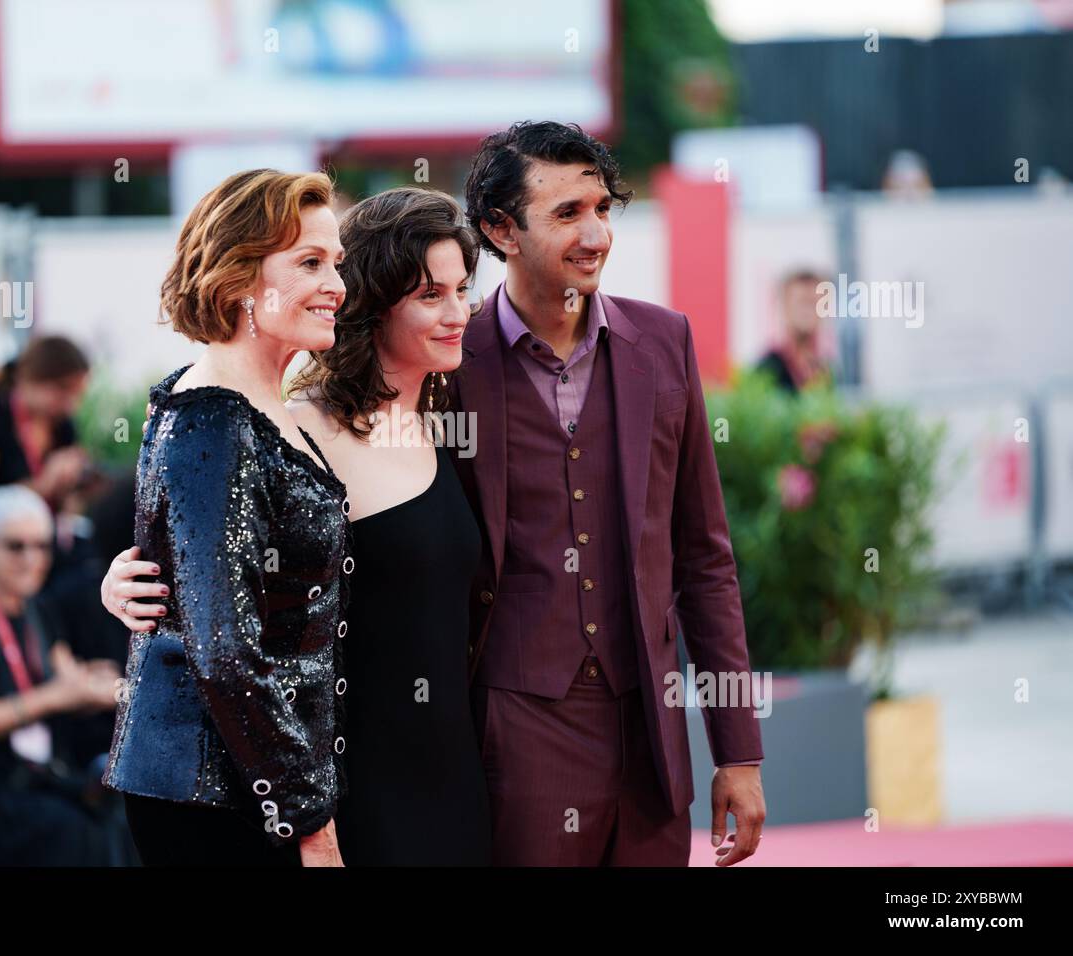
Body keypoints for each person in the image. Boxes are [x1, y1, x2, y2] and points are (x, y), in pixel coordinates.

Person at [104, 187, 493, 865]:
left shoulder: (452, 421)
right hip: (332, 777)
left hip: (441, 761)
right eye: (432, 294)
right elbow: (223, 613)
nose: (457, 313)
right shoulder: (279, 422)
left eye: (465, 291)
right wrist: (127, 583)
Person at [451, 121, 765, 865]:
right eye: (567, 214)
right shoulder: (449, 362)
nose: (595, 234)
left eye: (602, 208)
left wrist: (739, 752)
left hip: (651, 735)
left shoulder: (664, 343)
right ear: (501, 230)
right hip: (517, 730)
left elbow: (705, 560)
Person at [100, 169, 352, 867]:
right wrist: (310, 822)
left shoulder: (249, 403)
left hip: (242, 779)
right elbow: (225, 651)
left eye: (336, 262)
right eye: (309, 262)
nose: (336, 284)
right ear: (238, 278)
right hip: (217, 793)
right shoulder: (215, 417)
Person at [0, 485, 124, 866]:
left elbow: (70, 682)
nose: (32, 559)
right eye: (16, 546)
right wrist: (54, 697)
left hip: (46, 778)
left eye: (42, 546)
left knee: (118, 811)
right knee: (70, 832)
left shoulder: (41, 611)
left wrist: (111, 685)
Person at [0, 335, 92, 528]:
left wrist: (74, 484)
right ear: (28, 378)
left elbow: (70, 510)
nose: (70, 405)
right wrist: (43, 484)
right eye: (62, 390)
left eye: (77, 395)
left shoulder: (62, 425)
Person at [756, 269, 831, 393]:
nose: (808, 311)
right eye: (801, 302)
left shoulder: (826, 371)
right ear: (785, 306)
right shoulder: (767, 370)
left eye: (814, 303)